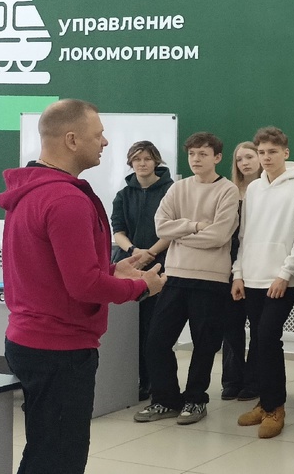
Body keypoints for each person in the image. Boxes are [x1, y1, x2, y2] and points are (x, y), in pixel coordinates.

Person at [0, 99, 166, 474]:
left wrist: (113, 270)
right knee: (59, 458)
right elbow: (84, 285)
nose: (105, 142)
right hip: (59, 349)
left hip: (30, 340)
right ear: (72, 140)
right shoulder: (66, 199)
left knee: (45, 449)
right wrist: (141, 288)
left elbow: (58, 270)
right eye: (98, 134)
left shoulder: (33, 191)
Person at [134, 132, 240, 426]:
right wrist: (194, 226)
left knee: (204, 344)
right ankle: (165, 400)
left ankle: (195, 400)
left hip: (211, 278)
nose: (196, 159)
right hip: (176, 275)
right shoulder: (178, 188)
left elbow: (219, 235)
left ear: (217, 157)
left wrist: (179, 234)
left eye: (203, 154)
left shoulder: (227, 190)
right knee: (157, 341)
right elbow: (161, 228)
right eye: (192, 154)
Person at [233, 126, 294, 438]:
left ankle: (275, 408)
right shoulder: (254, 188)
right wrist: (238, 273)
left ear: (286, 153)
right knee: (258, 340)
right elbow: (245, 234)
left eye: (272, 152)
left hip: (282, 278)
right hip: (252, 276)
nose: (266, 157)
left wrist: (285, 273)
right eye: (262, 152)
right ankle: (264, 402)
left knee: (268, 337)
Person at [111, 140, 174, 401]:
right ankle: (133, 381)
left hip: (161, 264)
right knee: (130, 330)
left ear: (156, 161)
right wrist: (134, 251)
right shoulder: (124, 194)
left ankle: (153, 383)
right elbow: (118, 230)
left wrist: (150, 253)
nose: (142, 163)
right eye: (137, 159)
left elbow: (173, 229)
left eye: (147, 158)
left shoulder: (171, 190)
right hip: (130, 263)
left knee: (154, 328)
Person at [222, 141, 261, 401]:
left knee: (258, 327)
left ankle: (254, 381)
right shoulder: (229, 191)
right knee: (231, 325)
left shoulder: (266, 191)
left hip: (257, 264)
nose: (244, 163)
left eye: (249, 157)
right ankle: (232, 379)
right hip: (228, 264)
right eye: (239, 159)